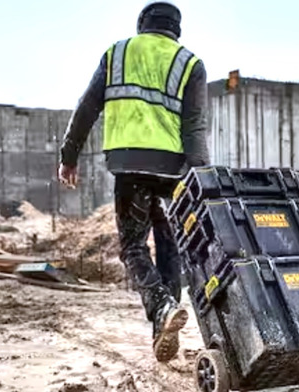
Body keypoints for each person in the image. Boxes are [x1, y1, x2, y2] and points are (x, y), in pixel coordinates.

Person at [58, 0, 210, 362]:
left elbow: (87, 107)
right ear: (177, 29)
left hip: (129, 164)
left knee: (132, 247)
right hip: (172, 170)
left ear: (143, 24)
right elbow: (194, 126)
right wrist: (203, 176)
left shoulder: (117, 52)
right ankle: (164, 322)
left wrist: (69, 155)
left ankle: (161, 307)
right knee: (169, 247)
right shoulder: (190, 62)